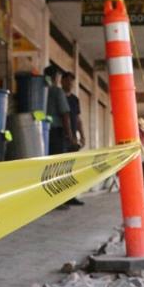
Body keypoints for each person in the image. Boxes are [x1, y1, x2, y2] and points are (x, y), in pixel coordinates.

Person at [60, 71, 86, 206]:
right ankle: (60, 198)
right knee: (61, 168)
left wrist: (82, 135)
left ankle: (71, 196)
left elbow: (77, 118)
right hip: (61, 136)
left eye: (71, 82)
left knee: (71, 168)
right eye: (67, 81)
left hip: (73, 138)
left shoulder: (74, 99)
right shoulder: (58, 96)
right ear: (62, 81)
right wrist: (69, 136)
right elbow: (64, 118)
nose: (69, 84)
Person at [45, 65, 77, 156]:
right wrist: (70, 137)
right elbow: (65, 115)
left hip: (42, 131)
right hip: (56, 133)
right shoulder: (57, 91)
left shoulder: (41, 91)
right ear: (56, 77)